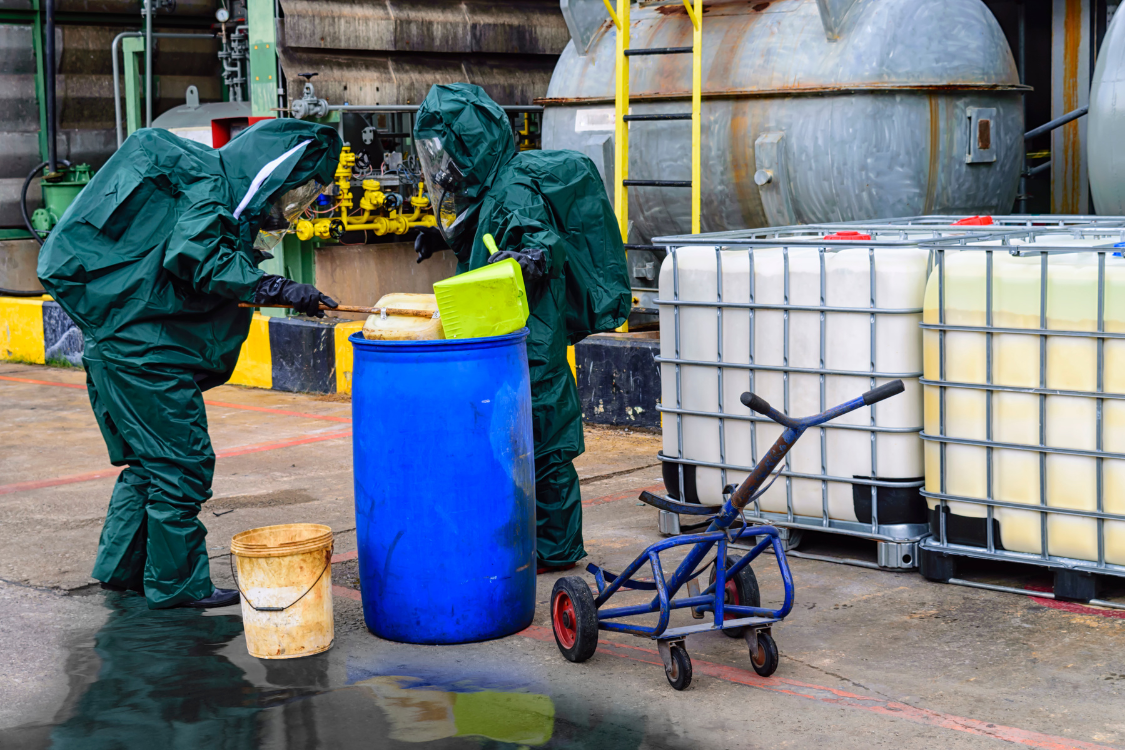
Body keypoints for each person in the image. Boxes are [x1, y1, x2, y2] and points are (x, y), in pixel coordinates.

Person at [37, 119, 343, 608]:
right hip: (145, 355)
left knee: (147, 464)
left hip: (120, 344)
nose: (288, 209)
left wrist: (268, 285)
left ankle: (122, 570)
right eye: (291, 194)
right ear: (269, 175)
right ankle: (177, 584)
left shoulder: (207, 186)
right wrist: (274, 288)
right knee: (181, 466)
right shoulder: (211, 188)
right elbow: (199, 256)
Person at [413, 84, 631, 572]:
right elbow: (490, 236)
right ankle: (532, 538)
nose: (445, 167)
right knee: (517, 445)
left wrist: (531, 257)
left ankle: (556, 550)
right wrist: (443, 238)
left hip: (533, 340)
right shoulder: (495, 184)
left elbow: (537, 240)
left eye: (449, 152)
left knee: (546, 447)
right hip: (512, 336)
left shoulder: (512, 188)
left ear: (470, 143)